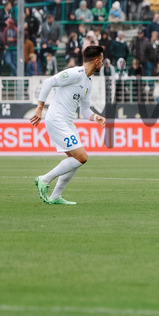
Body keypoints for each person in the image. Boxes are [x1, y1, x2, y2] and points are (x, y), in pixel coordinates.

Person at [29, 45, 107, 205]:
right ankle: (44, 179)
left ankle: (56, 196)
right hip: (56, 120)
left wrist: (95, 117)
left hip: (67, 122)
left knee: (75, 160)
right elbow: (49, 82)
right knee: (82, 157)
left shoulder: (88, 82)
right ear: (96, 61)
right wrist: (39, 108)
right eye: (102, 60)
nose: (103, 63)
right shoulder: (74, 74)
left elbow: (85, 111)